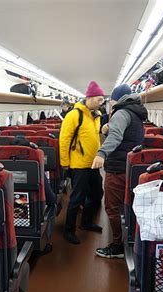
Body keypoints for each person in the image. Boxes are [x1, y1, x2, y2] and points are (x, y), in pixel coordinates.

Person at [91, 87, 148, 259]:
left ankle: (117, 246)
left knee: (111, 207)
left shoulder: (121, 113)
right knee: (130, 206)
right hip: (131, 167)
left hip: (117, 168)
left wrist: (101, 153)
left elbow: (116, 137)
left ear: (115, 100)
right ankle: (134, 242)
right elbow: (125, 134)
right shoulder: (135, 113)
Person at [59, 80, 105, 244]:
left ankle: (86, 222)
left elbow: (93, 136)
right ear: (90, 97)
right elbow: (64, 140)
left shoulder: (97, 116)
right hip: (78, 164)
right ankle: (68, 230)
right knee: (77, 198)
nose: (102, 102)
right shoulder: (74, 115)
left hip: (93, 164)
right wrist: (65, 163)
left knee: (97, 193)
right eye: (99, 99)